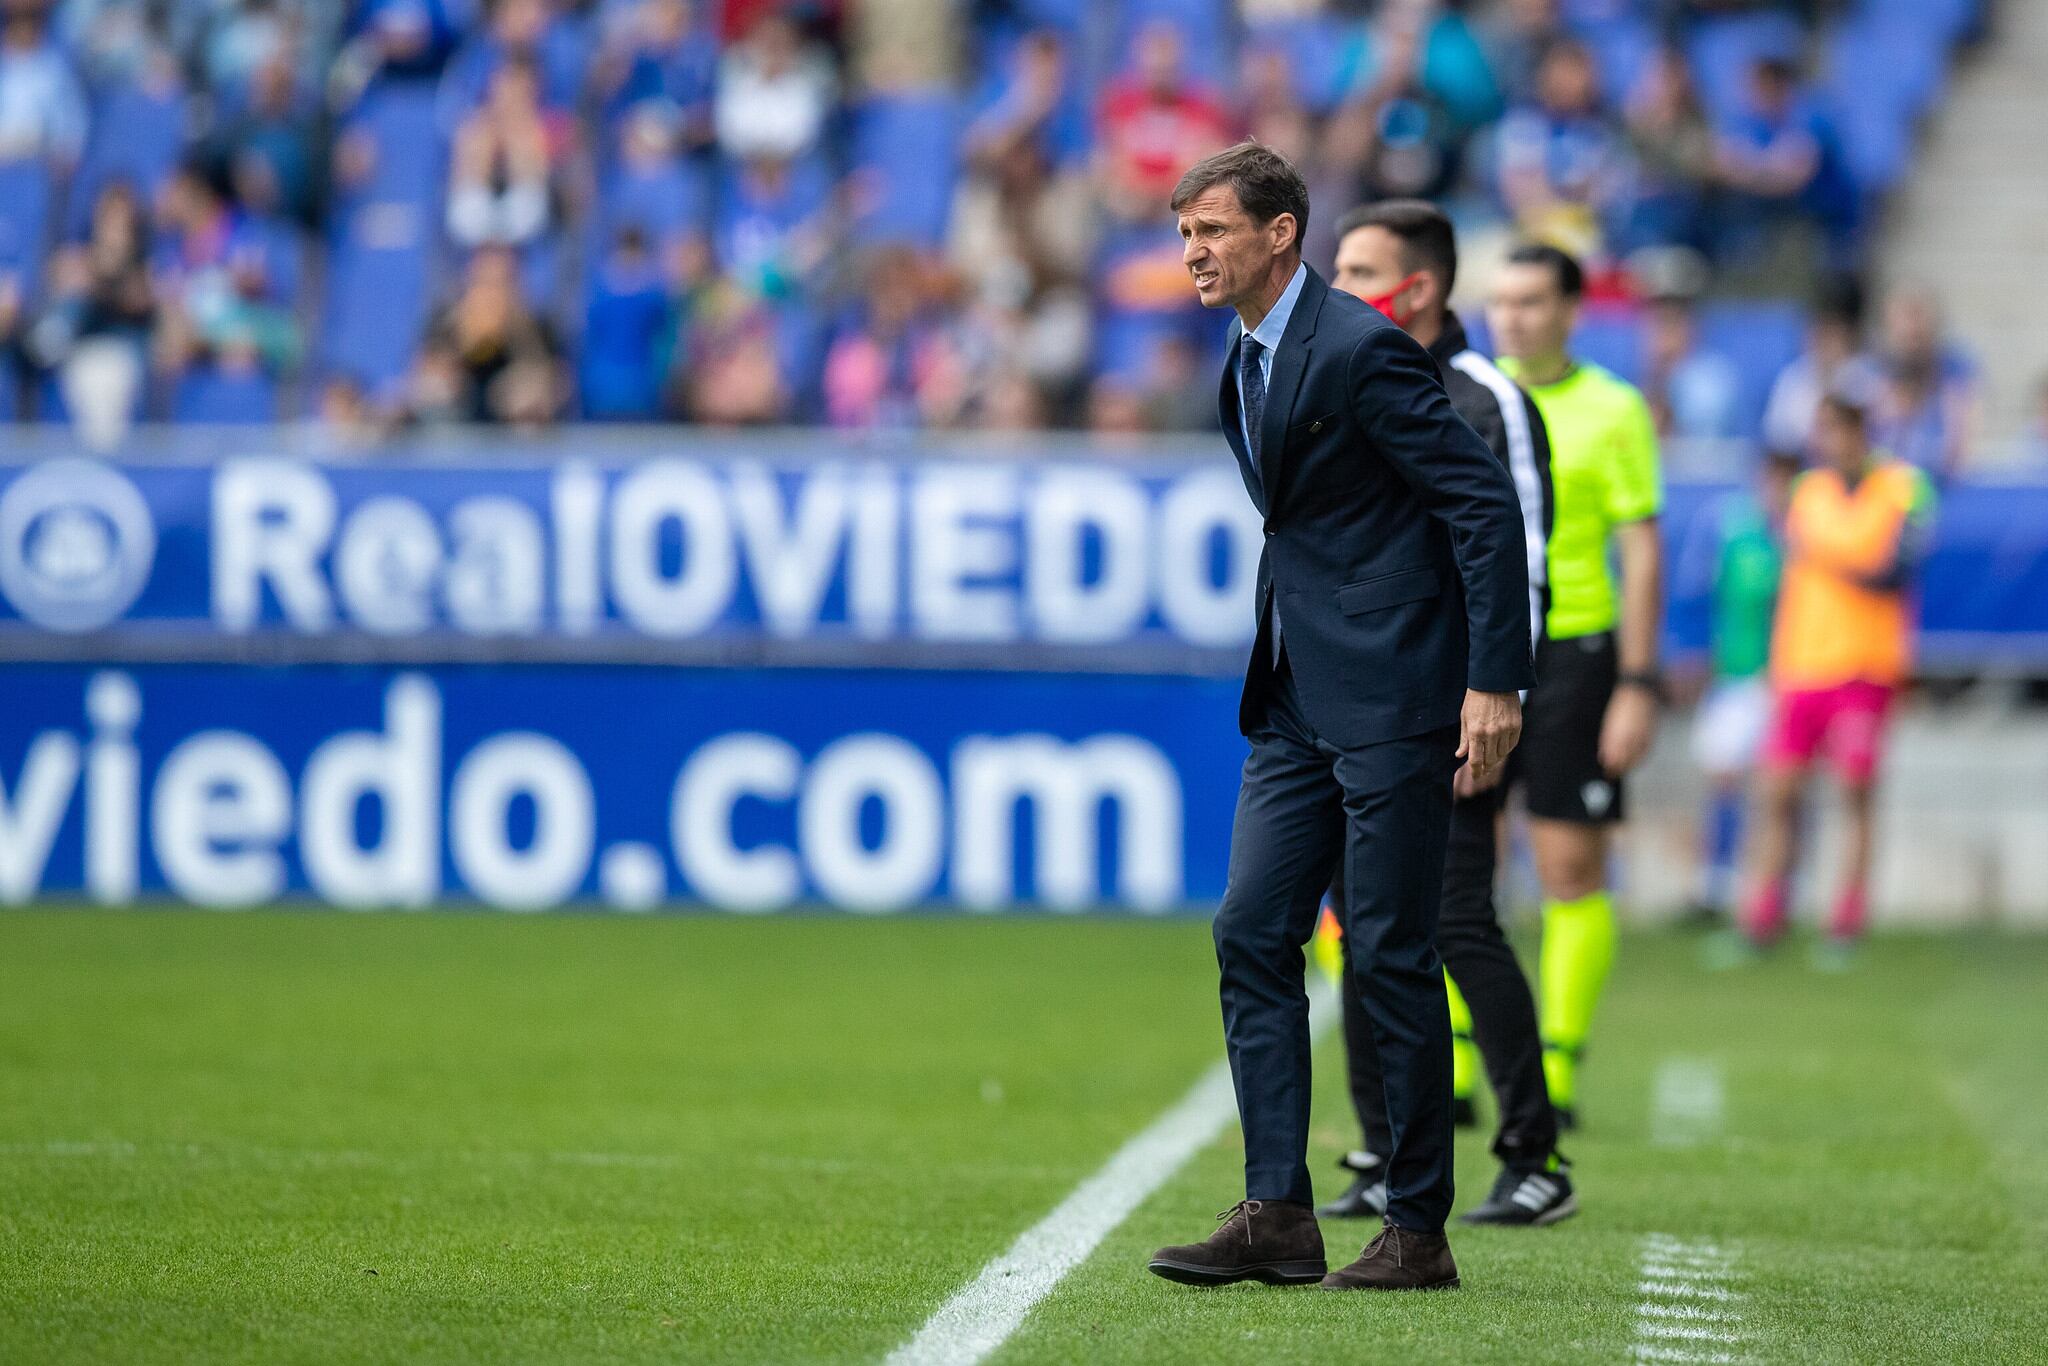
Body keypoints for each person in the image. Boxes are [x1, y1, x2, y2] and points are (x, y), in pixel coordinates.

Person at [1146, 143, 1532, 1293]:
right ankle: (1277, 1212)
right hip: (1296, 694)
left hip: (1395, 692)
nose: (1191, 253)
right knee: (1250, 929)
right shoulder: (1247, 354)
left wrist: (1492, 680)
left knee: (1388, 949)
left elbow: (1480, 507)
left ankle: (1415, 1227)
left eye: (1210, 230)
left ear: (1278, 233)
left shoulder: (1360, 348)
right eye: (1181, 234)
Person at [1322, 199, 1573, 1228]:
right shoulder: (1349, 377)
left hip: (1455, 705)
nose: (1334, 287)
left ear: (1414, 287)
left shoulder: (1481, 396)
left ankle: (1532, 1152)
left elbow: (1522, 554)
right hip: (1361, 702)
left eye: (1354, 269)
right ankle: (1384, 1149)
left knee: (1456, 917)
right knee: (1357, 922)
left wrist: (1492, 696)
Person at [1487, 243, 1664, 1131]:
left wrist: (1636, 680)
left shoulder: (1613, 409)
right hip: (1478, 649)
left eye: (1529, 301)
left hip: (1574, 653)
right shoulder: (1467, 394)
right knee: (1455, 864)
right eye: (1500, 301)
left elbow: (1640, 547)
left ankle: (1555, 1072)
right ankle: (1449, 1068)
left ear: (1569, 310)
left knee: (1566, 863)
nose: (1511, 317)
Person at [1732, 389, 1935, 966]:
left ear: (1858, 430)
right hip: (1801, 664)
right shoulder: (1807, 492)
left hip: (1864, 667)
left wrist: (1827, 556)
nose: (1825, 441)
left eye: (1834, 429)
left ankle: (1846, 919)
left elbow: (1895, 573)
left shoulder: (1903, 488)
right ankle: (1763, 915)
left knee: (1854, 792)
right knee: (1777, 792)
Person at [1684, 451, 1797, 927]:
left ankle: (1773, 894)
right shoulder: (1734, 529)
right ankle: (1717, 884)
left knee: (1780, 790)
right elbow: (1707, 598)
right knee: (1722, 777)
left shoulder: (1802, 535)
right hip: (1735, 674)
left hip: (1786, 676)